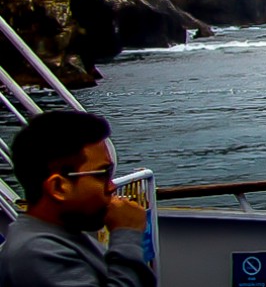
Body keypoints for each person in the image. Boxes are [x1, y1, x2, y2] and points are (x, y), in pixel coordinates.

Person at [0, 111, 155, 286]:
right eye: (103, 174)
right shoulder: (36, 253)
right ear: (58, 187)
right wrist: (127, 235)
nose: (111, 186)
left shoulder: (65, 237)